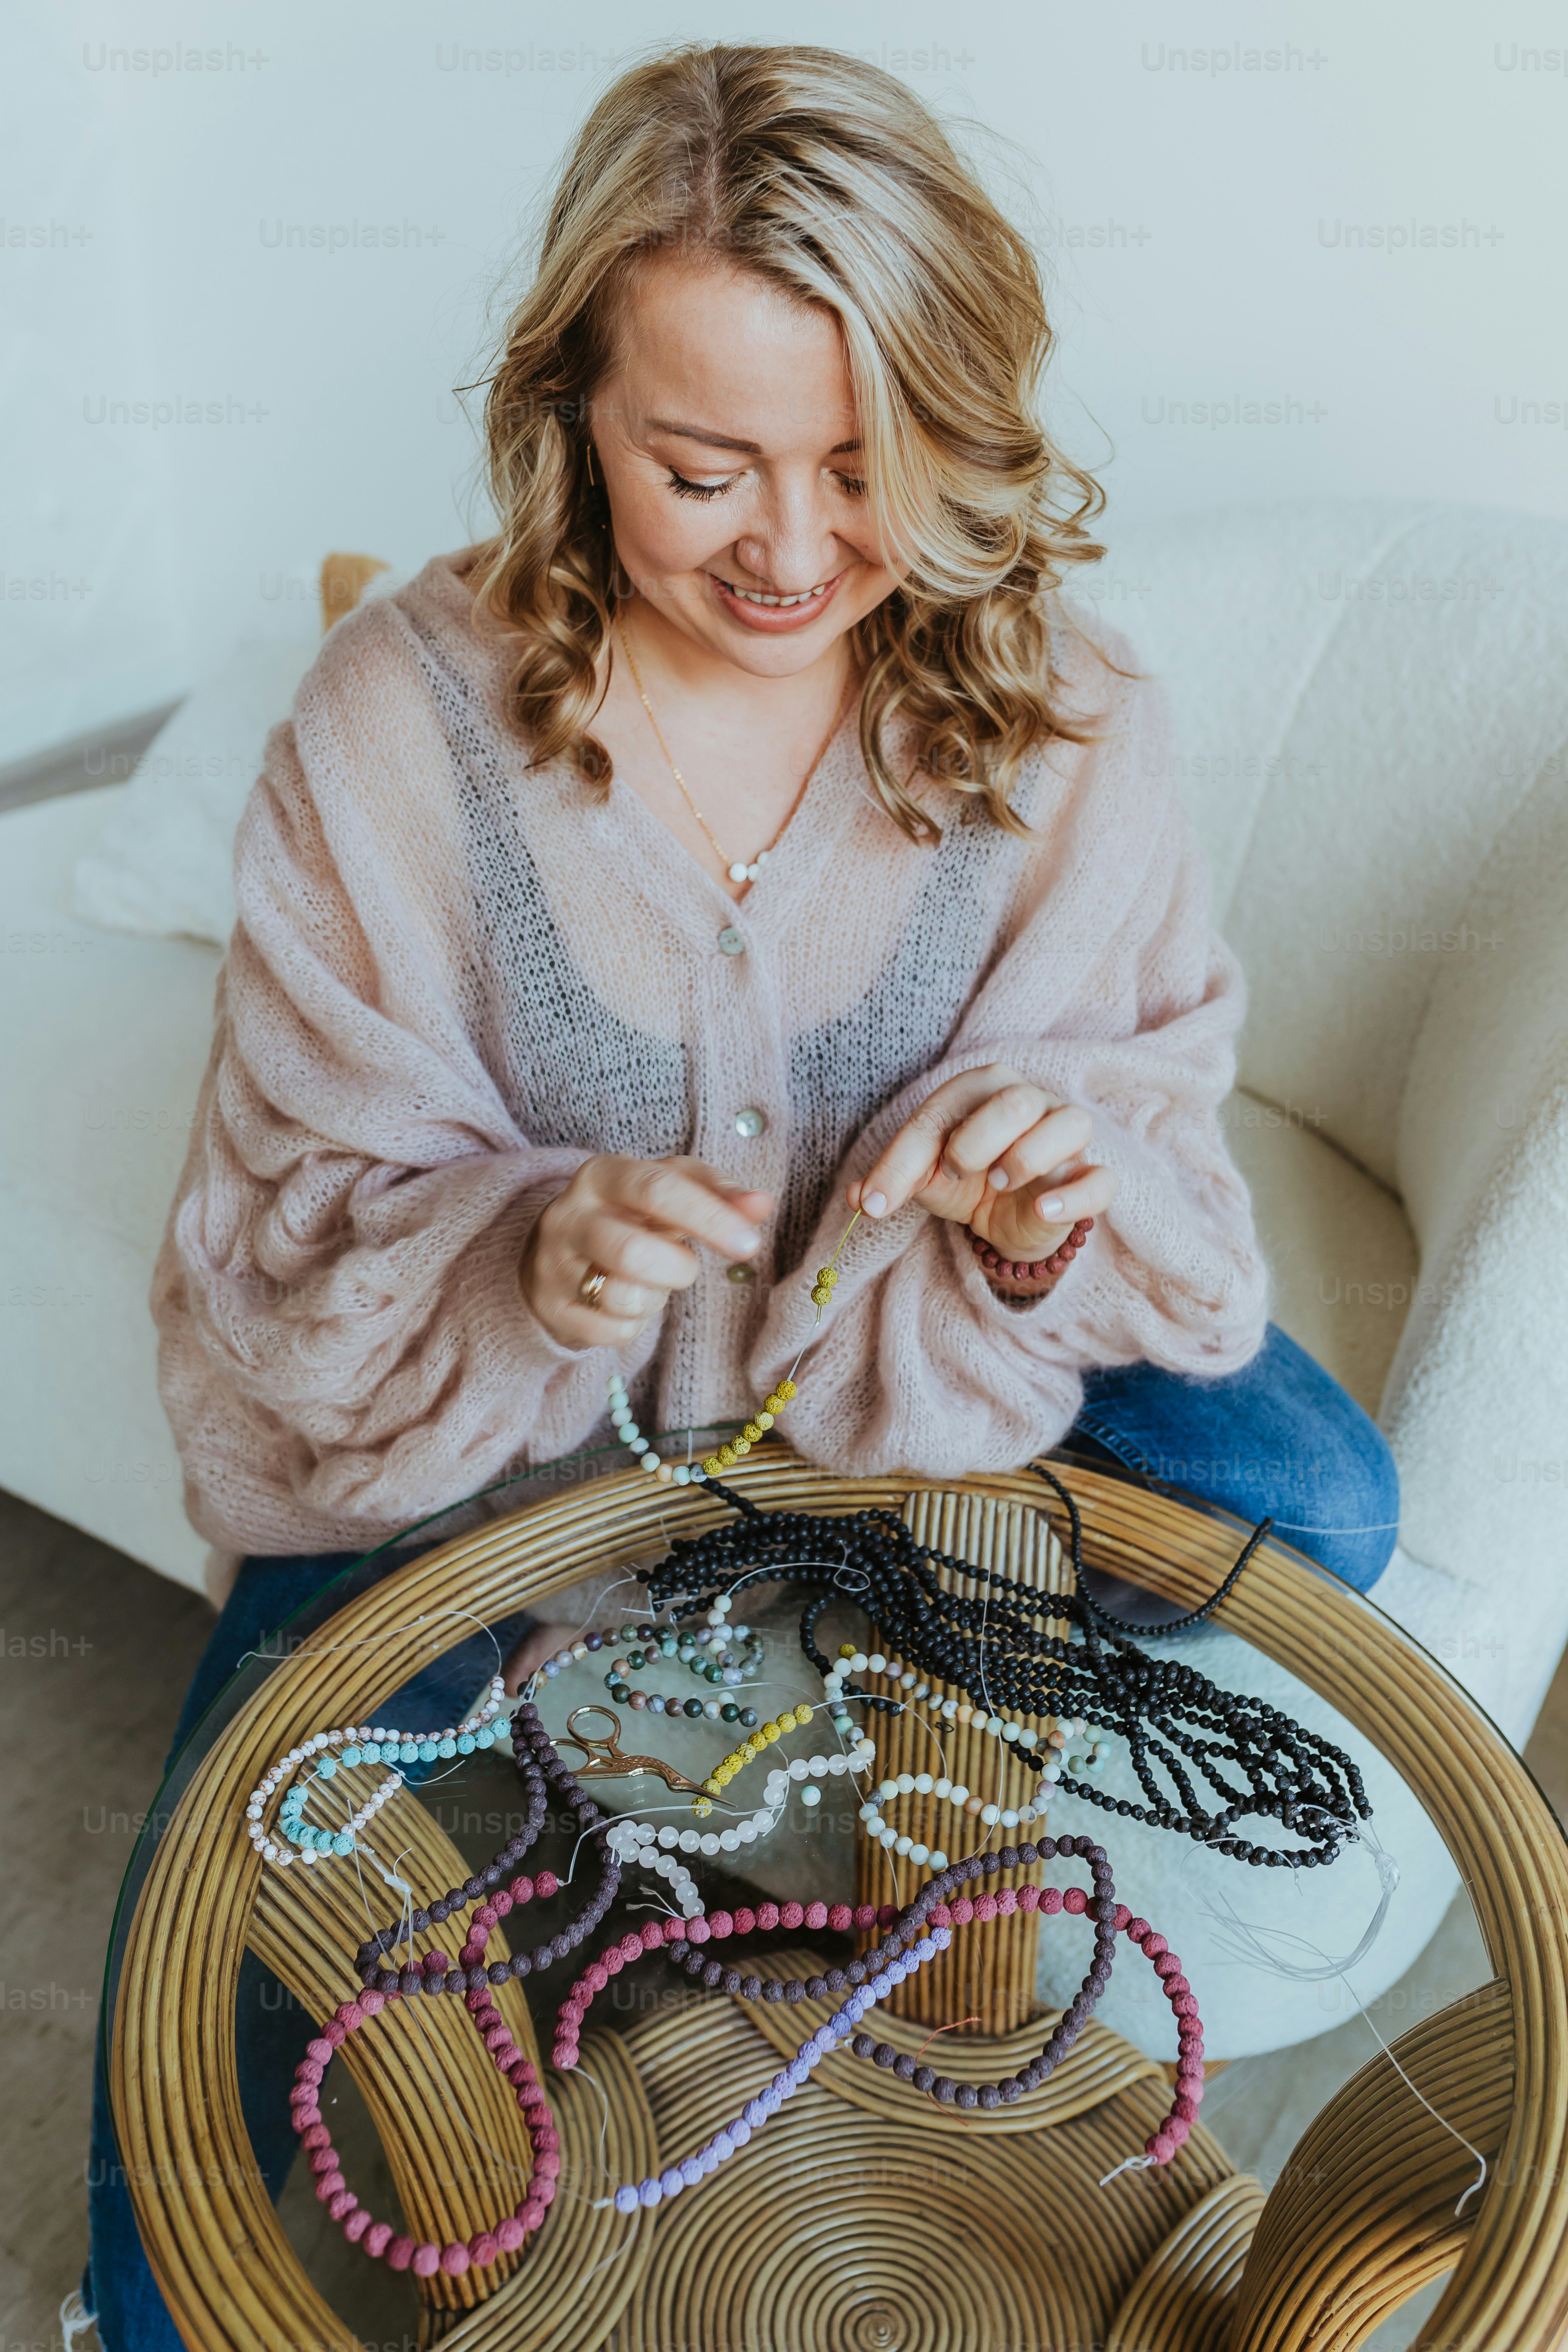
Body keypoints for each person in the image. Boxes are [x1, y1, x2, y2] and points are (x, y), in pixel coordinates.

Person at [82, 42, 1398, 2346]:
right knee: (235, 1877)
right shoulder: (398, 726)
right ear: (571, 413)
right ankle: (122, 2312)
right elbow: (290, 1217)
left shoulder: (1064, 712)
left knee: (1313, 1492)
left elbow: (1149, 1093)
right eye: (703, 470)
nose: (793, 553)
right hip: (499, 1429)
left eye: (867, 468)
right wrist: (530, 1248)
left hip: (910, 1370)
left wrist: (1039, 1198)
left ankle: (834, 1620)